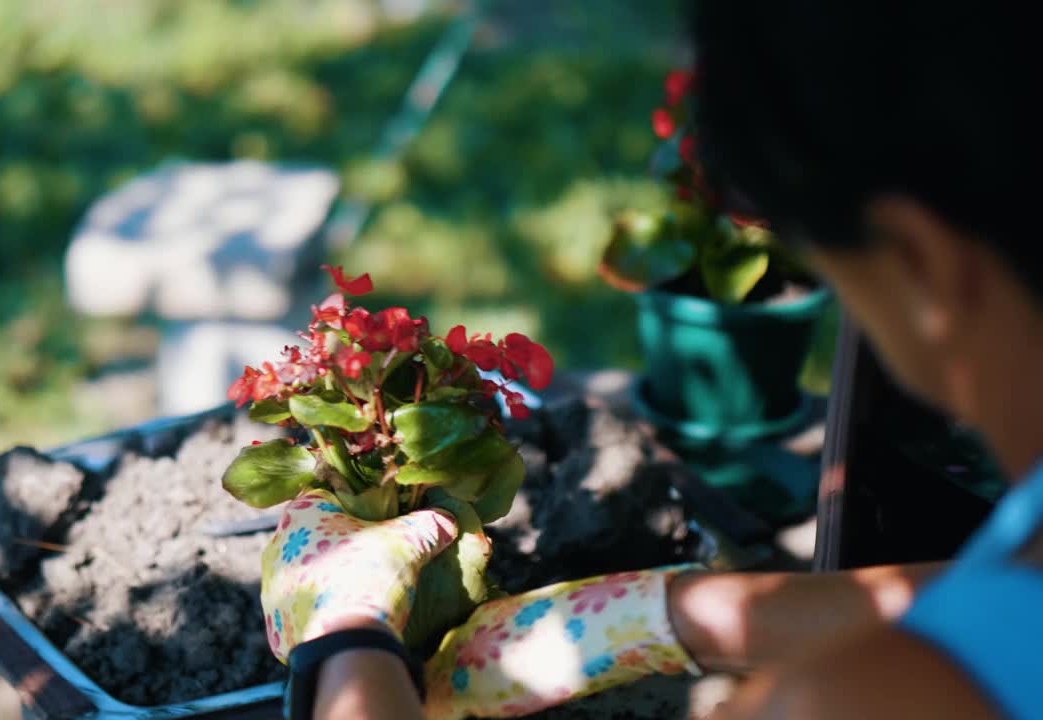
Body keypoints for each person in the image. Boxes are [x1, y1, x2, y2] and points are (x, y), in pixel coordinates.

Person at [261, 1, 1039, 717]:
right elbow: (995, 600)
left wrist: (349, 639)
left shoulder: (856, 700)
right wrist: (664, 615)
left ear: (921, 264)